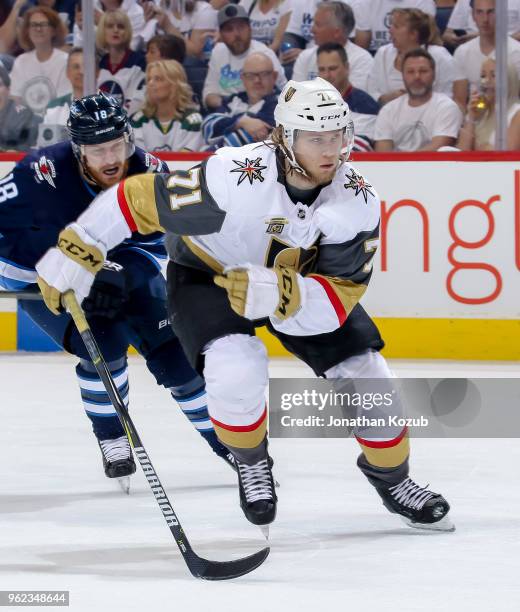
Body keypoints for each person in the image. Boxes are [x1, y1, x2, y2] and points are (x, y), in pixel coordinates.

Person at [33, 78, 453, 533]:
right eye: (316, 138)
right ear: (286, 138)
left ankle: (393, 480)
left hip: (297, 285)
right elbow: (140, 201)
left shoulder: (357, 198)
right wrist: (81, 243)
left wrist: (282, 294)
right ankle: (252, 463)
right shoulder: (234, 177)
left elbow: (341, 294)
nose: (331, 150)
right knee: (235, 367)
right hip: (208, 275)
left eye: (338, 136)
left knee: (368, 373)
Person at [0, 92, 232, 491]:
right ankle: (111, 435)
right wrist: (59, 268)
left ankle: (230, 446)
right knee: (104, 347)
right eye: (97, 150)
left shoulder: (149, 171)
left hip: (123, 269)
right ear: (77, 149)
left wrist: (121, 272)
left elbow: (173, 245)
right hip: (43, 276)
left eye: (117, 146)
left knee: (175, 356)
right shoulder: (41, 174)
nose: (111, 159)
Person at [374, 48, 462, 151]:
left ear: (434, 75)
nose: (417, 77)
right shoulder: (388, 110)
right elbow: (382, 152)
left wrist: (402, 163)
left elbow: (439, 147)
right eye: (410, 72)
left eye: (423, 71)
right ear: (403, 76)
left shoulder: (446, 107)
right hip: (394, 166)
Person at [202, 3, 286, 110]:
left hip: (260, 112)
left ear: (250, 29)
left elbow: (283, 92)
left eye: (241, 27)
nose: (236, 34)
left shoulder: (264, 54)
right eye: (229, 29)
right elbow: (208, 94)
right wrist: (230, 106)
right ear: (221, 35)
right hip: (225, 110)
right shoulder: (217, 52)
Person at [367, 8, 454, 106]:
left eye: (396, 26)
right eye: (391, 25)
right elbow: (371, 90)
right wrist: (385, 98)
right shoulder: (383, 53)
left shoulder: (439, 56)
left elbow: (449, 95)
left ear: (413, 34)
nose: (390, 30)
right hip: (388, 114)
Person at [453, 0, 520, 112]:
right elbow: (460, 101)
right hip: (474, 118)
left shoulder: (517, 52)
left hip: (509, 120)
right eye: (479, 12)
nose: (485, 19)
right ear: (473, 15)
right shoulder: (462, 52)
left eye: (491, 12)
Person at [292, 2, 374, 93]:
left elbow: (353, 97)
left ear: (337, 32)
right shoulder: (305, 56)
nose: (312, 30)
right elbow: (294, 94)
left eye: (318, 25)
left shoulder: (362, 60)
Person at [202, 51, 278, 149]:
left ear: (274, 76)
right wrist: (241, 122)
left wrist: (228, 123)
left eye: (263, 74)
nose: (257, 80)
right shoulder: (233, 100)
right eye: (250, 75)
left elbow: (240, 140)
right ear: (242, 78)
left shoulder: (281, 105)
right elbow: (207, 125)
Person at [317, 42, 379, 151]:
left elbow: (358, 150)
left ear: (347, 67)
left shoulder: (366, 106)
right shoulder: (309, 104)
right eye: (322, 70)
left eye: (332, 69)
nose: (326, 75)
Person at [9, 5, 70, 117]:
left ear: (53, 31)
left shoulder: (65, 61)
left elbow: (63, 102)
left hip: (55, 124)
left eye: (43, 24)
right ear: (27, 31)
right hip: (25, 125)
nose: (38, 29)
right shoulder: (20, 61)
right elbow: (15, 100)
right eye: (33, 25)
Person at [130, 59, 204, 151]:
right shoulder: (138, 120)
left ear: (175, 85)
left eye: (158, 79)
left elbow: (186, 161)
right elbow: (140, 160)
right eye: (149, 79)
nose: (150, 83)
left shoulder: (192, 121)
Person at [457, 58, 520, 150]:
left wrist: (482, 149)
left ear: (509, 79)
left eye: (494, 75)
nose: (486, 81)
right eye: (483, 76)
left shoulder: (516, 113)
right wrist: (471, 117)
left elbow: (508, 153)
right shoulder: (480, 112)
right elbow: (462, 152)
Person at [96, 10, 146, 112]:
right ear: (102, 31)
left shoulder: (139, 62)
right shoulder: (100, 64)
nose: (116, 30)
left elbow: (136, 102)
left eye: (121, 27)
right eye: (110, 26)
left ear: (127, 31)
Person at [353, 0, 436, 52]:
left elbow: (427, 39)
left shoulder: (424, 2)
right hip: (375, 54)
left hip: (415, 53)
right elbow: (362, 49)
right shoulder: (363, 3)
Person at [0, 60, 42, 151]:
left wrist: (16, 151)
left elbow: (30, 146)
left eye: (0, 85)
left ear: (8, 89)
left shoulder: (23, 114)